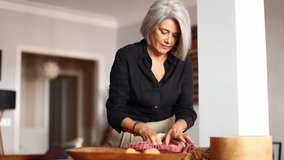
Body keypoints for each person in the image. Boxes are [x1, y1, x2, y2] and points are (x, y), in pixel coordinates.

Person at [104, 0, 197, 147]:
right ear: (151, 26)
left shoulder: (182, 64)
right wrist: (140, 128)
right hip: (128, 135)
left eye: (175, 35)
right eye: (164, 32)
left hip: (165, 138)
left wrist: (177, 127)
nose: (169, 40)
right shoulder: (126, 57)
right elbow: (115, 111)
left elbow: (186, 109)